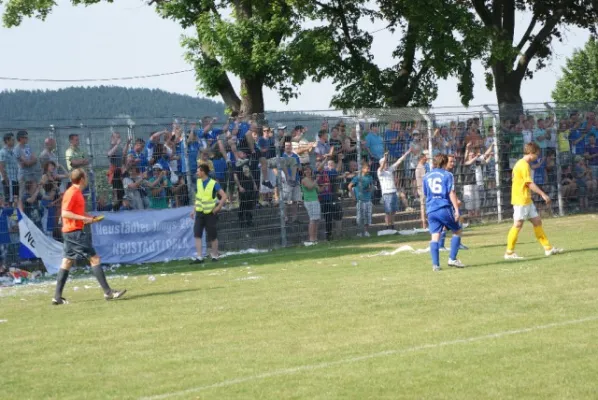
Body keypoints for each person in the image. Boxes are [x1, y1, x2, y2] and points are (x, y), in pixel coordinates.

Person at [52, 168, 126, 305]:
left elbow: (76, 212)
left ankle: (57, 297)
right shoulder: (72, 192)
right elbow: (65, 213)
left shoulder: (76, 192)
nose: (87, 178)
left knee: (67, 261)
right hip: (74, 232)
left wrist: (90, 217)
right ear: (81, 179)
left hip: (70, 231)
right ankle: (109, 292)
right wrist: (82, 218)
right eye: (85, 176)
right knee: (94, 258)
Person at [504, 142, 563, 260]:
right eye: (537, 154)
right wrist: (543, 194)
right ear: (531, 153)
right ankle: (509, 253)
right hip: (521, 200)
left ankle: (548, 248)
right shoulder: (523, 165)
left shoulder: (521, 163)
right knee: (517, 225)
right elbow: (529, 183)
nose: (538, 156)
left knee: (537, 221)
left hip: (526, 199)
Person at [423, 154, 466, 271]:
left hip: (431, 209)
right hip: (443, 207)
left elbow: (426, 193)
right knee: (457, 231)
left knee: (435, 236)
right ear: (444, 162)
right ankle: (452, 259)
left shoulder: (426, 176)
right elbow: (451, 193)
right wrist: (456, 209)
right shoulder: (448, 175)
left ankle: (435, 265)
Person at [190, 163, 228, 263]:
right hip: (199, 213)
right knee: (197, 234)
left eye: (198, 171)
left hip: (210, 213)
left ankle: (215, 256)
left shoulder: (213, 183)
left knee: (212, 235)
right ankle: (199, 257)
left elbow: (224, 196)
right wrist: (193, 210)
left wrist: (218, 207)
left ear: (203, 172)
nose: (197, 173)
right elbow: (198, 198)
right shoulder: (198, 182)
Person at [438, 154, 469, 252]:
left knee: (456, 222)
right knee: (448, 223)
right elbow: (450, 191)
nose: (452, 163)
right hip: (445, 202)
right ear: (445, 162)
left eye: (454, 162)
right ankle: (442, 246)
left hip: (447, 201)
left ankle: (455, 244)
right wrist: (455, 201)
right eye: (450, 161)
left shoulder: (444, 173)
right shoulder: (447, 174)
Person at [378, 149, 411, 230]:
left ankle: (392, 226)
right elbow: (382, 167)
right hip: (387, 193)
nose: (386, 164)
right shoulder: (379, 171)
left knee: (393, 211)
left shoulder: (390, 169)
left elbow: (398, 161)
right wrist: (385, 157)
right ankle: (387, 226)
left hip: (393, 192)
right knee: (388, 212)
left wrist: (406, 153)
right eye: (384, 163)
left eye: (386, 163)